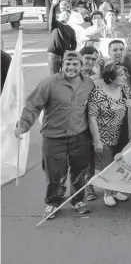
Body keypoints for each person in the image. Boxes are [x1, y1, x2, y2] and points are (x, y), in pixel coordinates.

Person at [14, 51, 95, 219]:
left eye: (75, 64)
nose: (71, 67)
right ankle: (52, 203)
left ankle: (77, 199)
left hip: (80, 137)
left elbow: (93, 110)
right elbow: (32, 106)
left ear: (81, 67)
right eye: (68, 64)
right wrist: (23, 125)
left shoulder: (88, 84)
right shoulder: (49, 83)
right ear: (62, 65)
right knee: (54, 174)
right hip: (54, 138)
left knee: (79, 172)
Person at [87, 63, 131, 207]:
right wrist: (97, 140)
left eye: (125, 74)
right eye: (121, 75)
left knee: (117, 164)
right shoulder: (98, 93)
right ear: (111, 77)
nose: (124, 77)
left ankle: (115, 189)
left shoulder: (124, 88)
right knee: (106, 166)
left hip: (120, 135)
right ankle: (107, 193)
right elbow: (92, 117)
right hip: (103, 136)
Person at [47, 0, 77, 74]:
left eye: (68, 15)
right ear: (60, 14)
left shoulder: (71, 30)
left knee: (66, 76)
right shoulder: (55, 25)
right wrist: (53, 5)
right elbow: (51, 17)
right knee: (54, 77)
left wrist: (69, 50)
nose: (66, 16)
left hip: (65, 57)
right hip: (54, 56)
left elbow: (74, 44)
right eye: (65, 14)